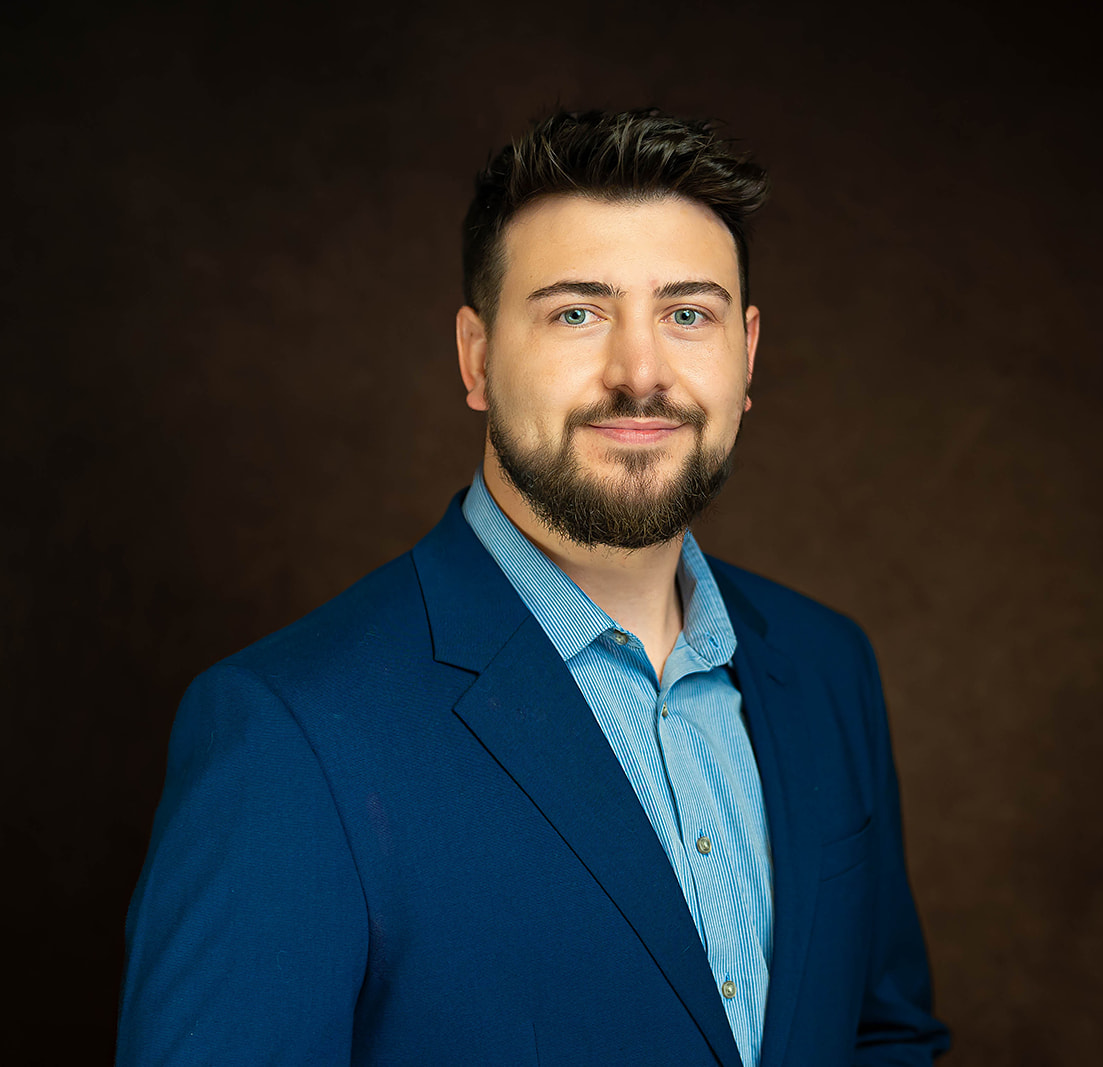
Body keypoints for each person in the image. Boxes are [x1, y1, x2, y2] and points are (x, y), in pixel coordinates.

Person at [117, 107, 951, 1067]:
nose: (640, 374)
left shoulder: (827, 664)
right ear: (477, 358)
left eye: (688, 313)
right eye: (576, 313)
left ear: (747, 353)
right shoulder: (288, 732)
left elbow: (886, 1032)